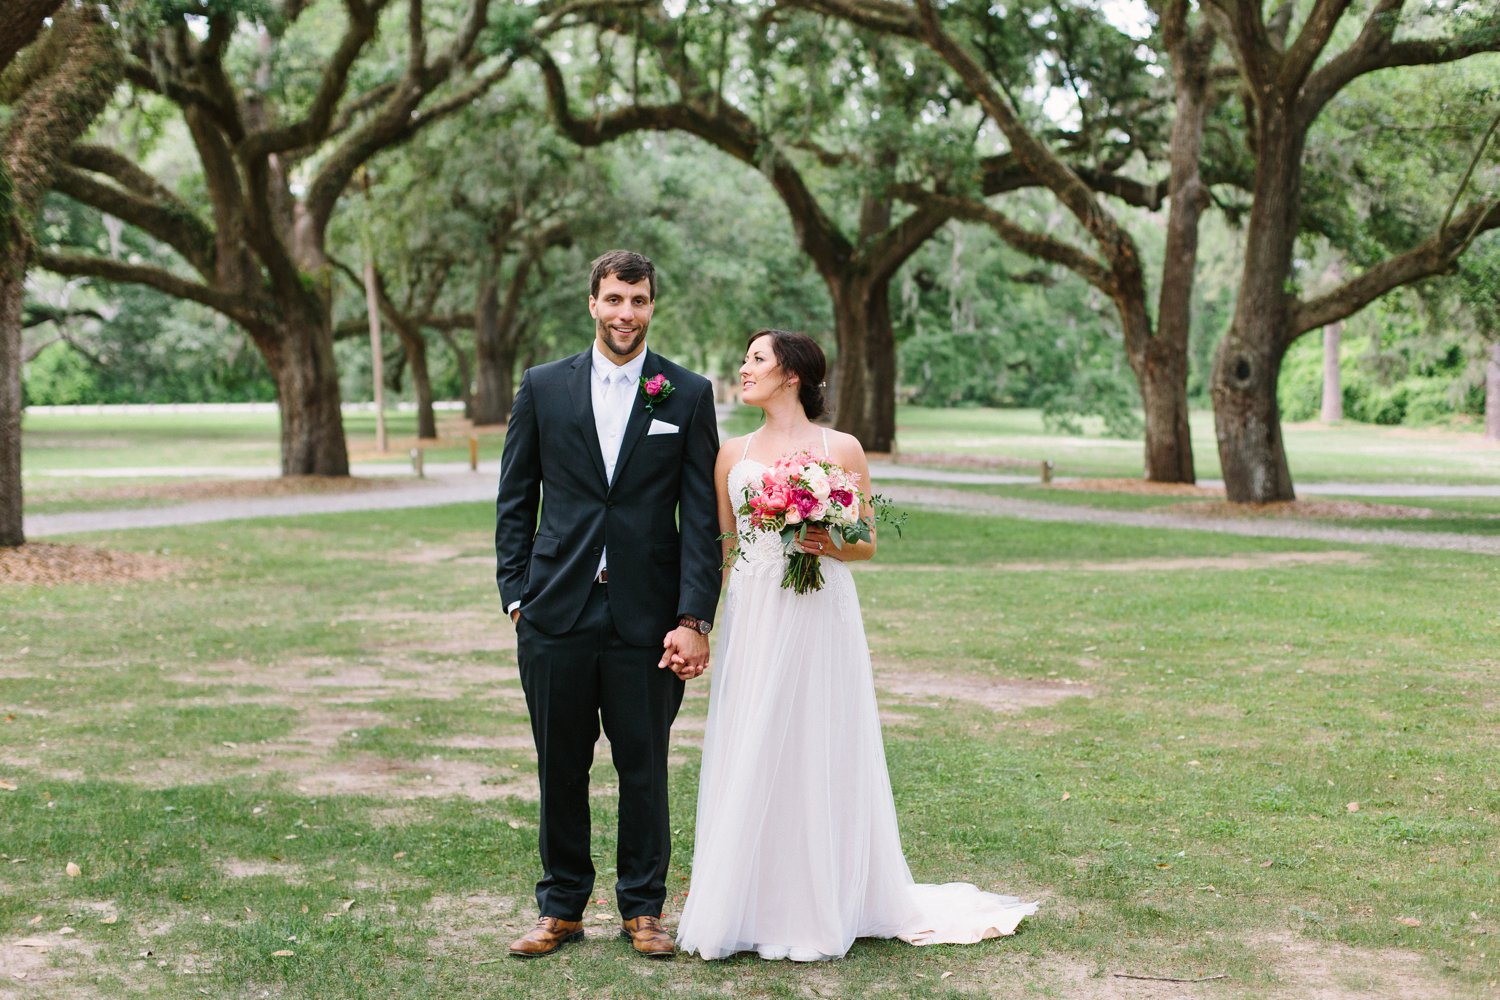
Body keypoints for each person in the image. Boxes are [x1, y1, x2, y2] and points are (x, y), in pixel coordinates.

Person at [675, 329, 1038, 962]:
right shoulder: (731, 454)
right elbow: (725, 550)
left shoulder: (839, 447)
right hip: (758, 611)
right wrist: (701, 623)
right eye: (746, 358)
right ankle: (751, 900)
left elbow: (865, 540)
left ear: (792, 374)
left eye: (756, 359)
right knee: (754, 738)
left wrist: (824, 540)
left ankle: (826, 898)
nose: (744, 368)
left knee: (819, 738)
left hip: (820, 612)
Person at [495, 250, 721, 960]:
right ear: (592, 303)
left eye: (640, 300)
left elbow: (700, 519)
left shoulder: (685, 393)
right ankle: (560, 907)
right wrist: (515, 595)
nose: (627, 313)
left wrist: (692, 618)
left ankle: (643, 909)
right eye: (615, 299)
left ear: (654, 306)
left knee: (644, 766)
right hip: (554, 612)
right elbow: (514, 497)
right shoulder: (542, 386)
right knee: (558, 765)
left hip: (647, 618)